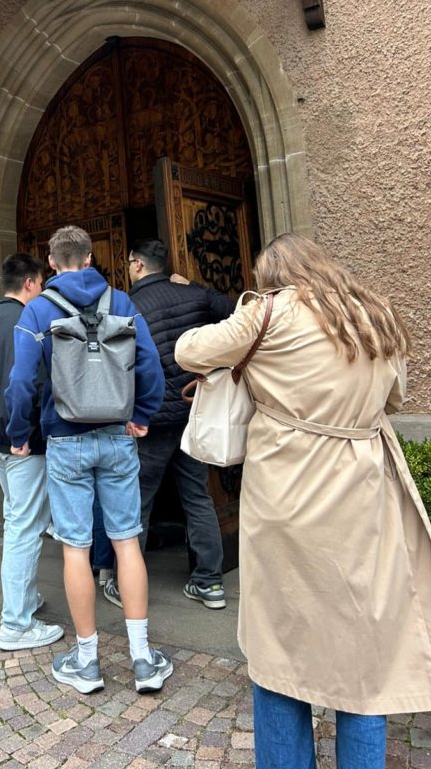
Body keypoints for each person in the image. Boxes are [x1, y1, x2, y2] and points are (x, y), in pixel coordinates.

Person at [174, 233, 431, 769]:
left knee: (280, 647)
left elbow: (187, 350)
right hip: (365, 493)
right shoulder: (373, 313)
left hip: (286, 497)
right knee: (365, 658)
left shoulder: (267, 313)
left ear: (273, 276)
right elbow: (394, 397)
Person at [6, 225, 171, 695]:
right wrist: (141, 415)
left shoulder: (38, 309)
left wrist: (19, 433)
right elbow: (151, 365)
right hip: (117, 434)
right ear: (90, 257)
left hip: (65, 438)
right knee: (126, 541)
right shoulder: (121, 301)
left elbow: (21, 381)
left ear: (51, 262)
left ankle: (87, 659)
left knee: (76, 547)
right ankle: (142, 658)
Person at [102, 238, 233, 611]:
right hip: (194, 413)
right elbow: (234, 311)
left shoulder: (128, 305)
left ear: (138, 264)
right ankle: (209, 581)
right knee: (197, 496)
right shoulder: (193, 295)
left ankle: (126, 584)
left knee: (138, 500)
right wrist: (193, 285)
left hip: (153, 419)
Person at [0, 253, 64, 651]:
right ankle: (16, 624)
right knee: (25, 529)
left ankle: (24, 599)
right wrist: (24, 431)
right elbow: (26, 384)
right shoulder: (27, 320)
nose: (42, 289)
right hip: (21, 440)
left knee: (17, 521)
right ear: (29, 282)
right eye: (41, 283)